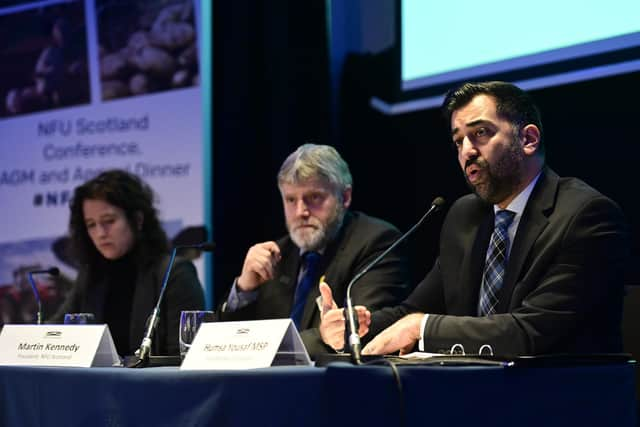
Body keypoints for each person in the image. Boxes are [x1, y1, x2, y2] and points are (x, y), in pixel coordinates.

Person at [356, 81, 629, 356]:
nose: (467, 151)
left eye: (480, 133)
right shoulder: (464, 216)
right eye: (458, 141)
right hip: (476, 387)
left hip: (560, 391)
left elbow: (530, 331)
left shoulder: (585, 216)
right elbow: (415, 310)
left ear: (529, 139)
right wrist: (355, 327)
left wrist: (421, 328)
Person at [218, 143, 409, 357]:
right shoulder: (275, 255)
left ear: (344, 197)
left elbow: (362, 330)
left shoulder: (377, 242)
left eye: (314, 197)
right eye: (291, 199)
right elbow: (227, 349)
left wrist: (274, 350)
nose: (301, 211)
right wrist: (245, 290)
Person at [50, 169, 205, 357]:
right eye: (91, 224)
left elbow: (185, 355)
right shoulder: (91, 275)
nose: (100, 233)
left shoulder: (174, 273)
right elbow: (54, 335)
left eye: (109, 221)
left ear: (137, 220)